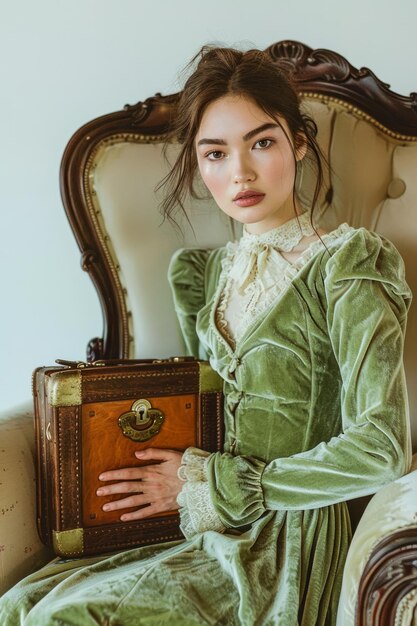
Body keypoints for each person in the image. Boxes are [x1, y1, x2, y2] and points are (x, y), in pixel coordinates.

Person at [0, 46, 412, 626]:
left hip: (283, 537)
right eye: (215, 153)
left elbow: (382, 448)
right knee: (20, 604)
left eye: (261, 142)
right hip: (194, 519)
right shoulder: (206, 276)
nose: (239, 172)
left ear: (297, 143)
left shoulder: (348, 263)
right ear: (198, 165)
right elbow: (195, 416)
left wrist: (218, 488)